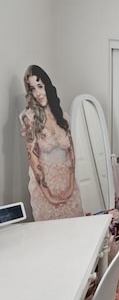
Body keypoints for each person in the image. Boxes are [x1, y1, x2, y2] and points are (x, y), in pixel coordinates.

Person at [19, 65, 84, 220]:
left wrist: (70, 185)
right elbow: (33, 161)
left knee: (76, 231)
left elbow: (72, 153)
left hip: (68, 184)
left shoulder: (62, 116)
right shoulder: (30, 119)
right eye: (32, 89)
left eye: (40, 86)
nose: (38, 93)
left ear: (47, 86)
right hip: (45, 189)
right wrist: (49, 195)